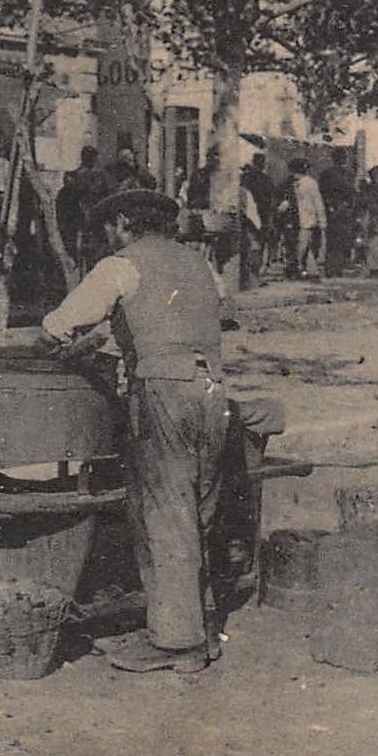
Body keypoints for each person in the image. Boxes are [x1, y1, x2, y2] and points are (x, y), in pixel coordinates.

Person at [39, 189, 227, 674]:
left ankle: (176, 643)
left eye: (110, 227)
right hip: (211, 391)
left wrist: (52, 341)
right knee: (198, 511)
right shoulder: (198, 264)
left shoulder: (120, 265)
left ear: (123, 221)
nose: (108, 235)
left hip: (163, 391)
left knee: (165, 513)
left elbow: (59, 325)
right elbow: (168, 319)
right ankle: (200, 629)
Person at [283, 158, 326, 279]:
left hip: (305, 219)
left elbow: (318, 202)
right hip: (298, 220)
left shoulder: (310, 183)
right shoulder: (294, 183)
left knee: (302, 246)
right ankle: (304, 270)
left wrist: (322, 220)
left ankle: (299, 269)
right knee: (300, 245)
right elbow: (318, 203)